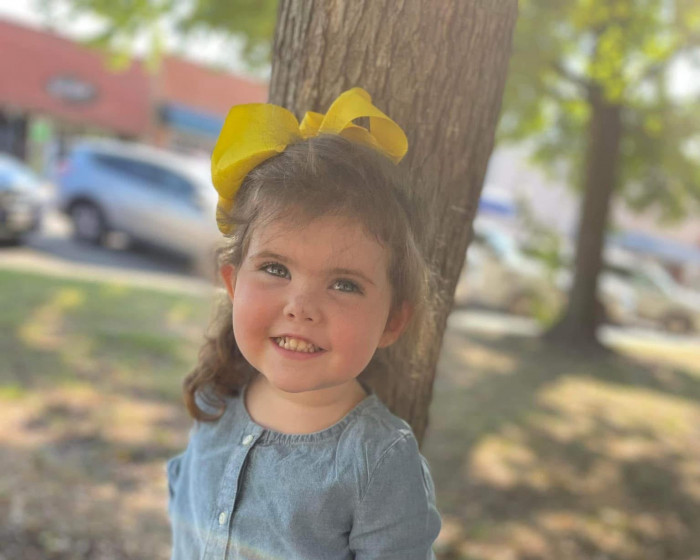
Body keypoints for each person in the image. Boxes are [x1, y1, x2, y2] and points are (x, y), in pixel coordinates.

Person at [166, 87, 441, 559]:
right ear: (233, 283)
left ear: (392, 321)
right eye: (276, 269)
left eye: (344, 284)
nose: (302, 306)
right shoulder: (217, 395)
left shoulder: (378, 462)